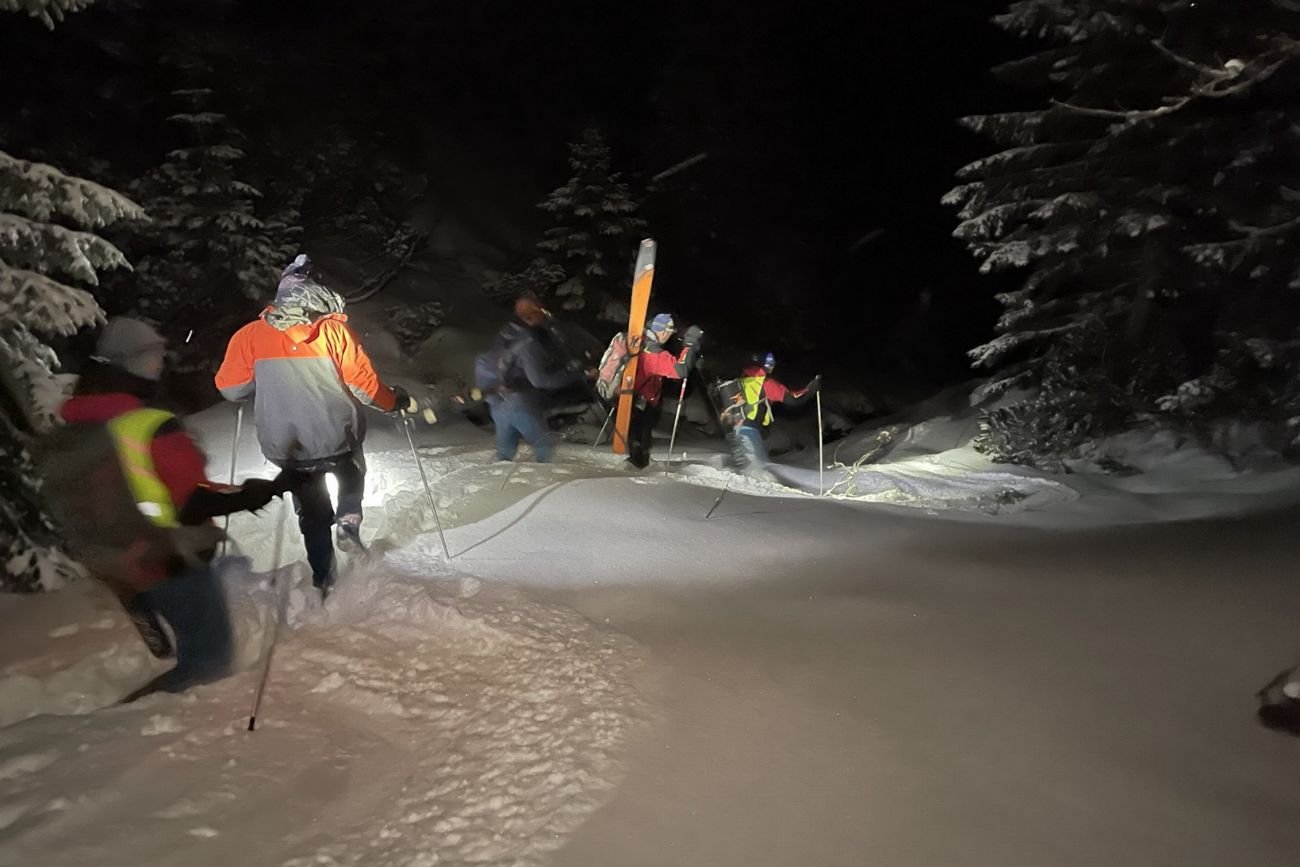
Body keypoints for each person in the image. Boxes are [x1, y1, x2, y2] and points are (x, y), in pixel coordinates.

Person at [37, 317, 286, 698]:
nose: (159, 365)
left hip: (113, 559)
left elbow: (143, 486)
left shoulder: (79, 424)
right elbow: (189, 502)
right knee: (209, 662)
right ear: (131, 362)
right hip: (167, 558)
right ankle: (118, 732)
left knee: (194, 635)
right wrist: (252, 495)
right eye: (152, 357)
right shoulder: (150, 424)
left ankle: (151, 620)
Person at [214, 254, 416, 596]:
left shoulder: (250, 336)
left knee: (311, 512)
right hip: (336, 437)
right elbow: (364, 387)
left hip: (288, 447)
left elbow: (230, 389)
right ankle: (349, 517)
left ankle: (324, 578)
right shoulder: (333, 332)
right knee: (352, 471)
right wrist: (393, 401)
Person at [476, 295, 587, 463]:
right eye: (541, 313)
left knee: (504, 452)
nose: (544, 318)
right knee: (544, 447)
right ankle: (546, 486)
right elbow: (540, 380)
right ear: (532, 316)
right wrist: (576, 375)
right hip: (519, 402)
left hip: (496, 400)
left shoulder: (506, 334)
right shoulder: (527, 342)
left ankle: (490, 484)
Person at [625, 313, 702, 469]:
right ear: (662, 331)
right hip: (641, 402)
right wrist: (690, 346)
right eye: (669, 332)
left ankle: (637, 464)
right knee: (639, 438)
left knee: (639, 435)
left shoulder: (640, 342)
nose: (669, 336)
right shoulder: (653, 352)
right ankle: (635, 469)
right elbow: (680, 370)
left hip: (633, 398)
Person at [728, 351, 820, 473]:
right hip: (751, 431)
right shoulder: (767, 384)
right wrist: (812, 388)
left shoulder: (742, 380)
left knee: (745, 469)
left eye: (773, 364)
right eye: (769, 364)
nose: (771, 367)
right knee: (758, 472)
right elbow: (793, 399)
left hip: (736, 430)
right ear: (763, 365)